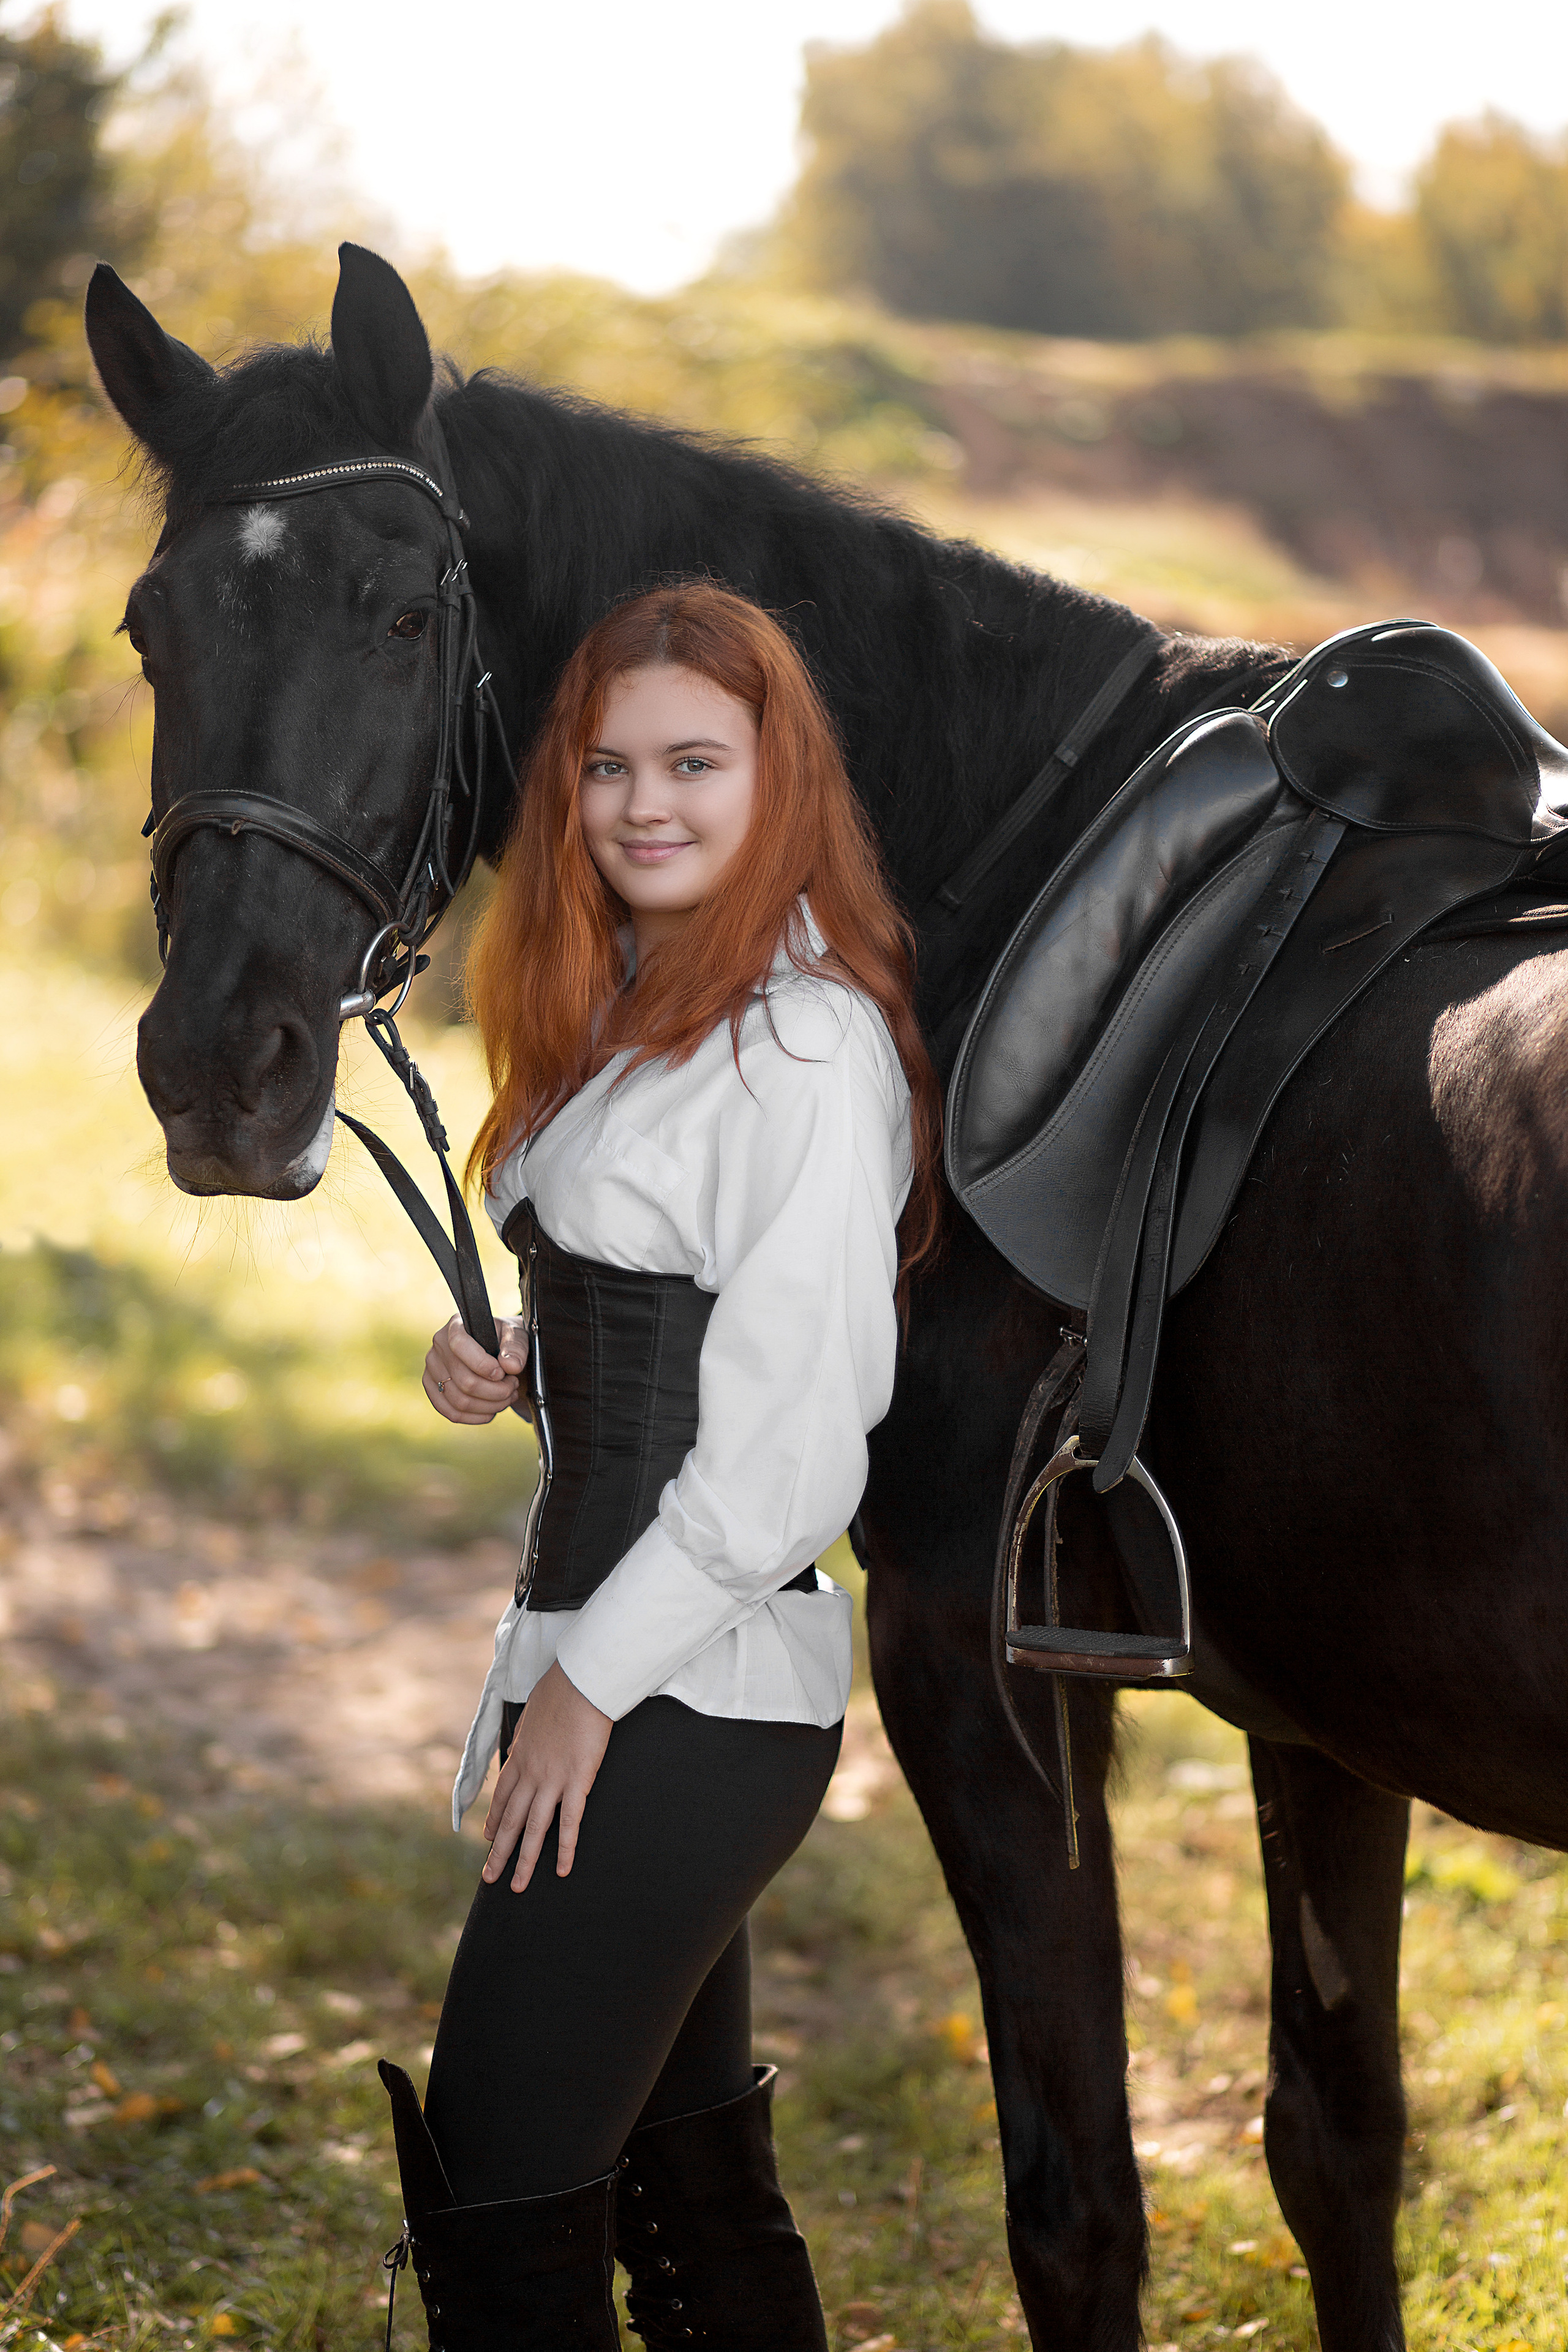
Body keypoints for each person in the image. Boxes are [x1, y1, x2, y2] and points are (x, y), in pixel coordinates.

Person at [377, 581, 941, 2350]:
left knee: (501, 2187)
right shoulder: (635, 1003)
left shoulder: (804, 1045)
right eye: (608, 766)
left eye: (695, 762)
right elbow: (665, 1313)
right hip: (616, 1667)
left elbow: (789, 1453)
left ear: (779, 779)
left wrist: (584, 1697)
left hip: (681, 1697)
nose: (644, 804)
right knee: (690, 2196)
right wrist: (515, 1359)